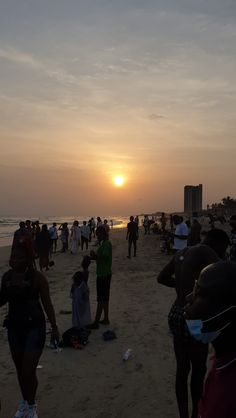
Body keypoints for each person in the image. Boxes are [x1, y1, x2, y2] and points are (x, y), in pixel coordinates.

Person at [157, 228, 230, 418]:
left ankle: (183, 415)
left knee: (182, 369)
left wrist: (182, 287)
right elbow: (225, 276)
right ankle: (196, 413)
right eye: (223, 249)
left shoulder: (182, 252)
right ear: (218, 245)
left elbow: (161, 278)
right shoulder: (206, 251)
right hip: (192, 315)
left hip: (175, 313)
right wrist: (197, 291)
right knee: (198, 369)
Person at [0, 233, 59, 418]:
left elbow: (47, 304)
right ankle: (24, 402)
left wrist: (54, 327)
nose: (14, 259)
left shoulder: (38, 278)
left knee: (28, 371)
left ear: (28, 258)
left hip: (35, 328)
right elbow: (2, 299)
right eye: (13, 255)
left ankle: (32, 405)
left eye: (19, 256)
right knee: (19, 371)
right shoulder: (7, 278)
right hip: (14, 328)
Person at [185, 261, 236, 418]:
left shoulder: (229, 392)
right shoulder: (223, 361)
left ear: (227, 312)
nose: (189, 298)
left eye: (199, 294)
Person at [89, 226, 112, 329]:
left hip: (103, 274)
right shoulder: (105, 244)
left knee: (101, 299)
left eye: (98, 234)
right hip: (105, 273)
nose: (97, 236)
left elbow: (105, 257)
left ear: (103, 234)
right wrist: (94, 257)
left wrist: (95, 256)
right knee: (105, 298)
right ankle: (106, 318)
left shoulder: (106, 244)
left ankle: (96, 322)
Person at [71, 256, 92, 329]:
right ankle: (83, 323)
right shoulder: (85, 272)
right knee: (84, 310)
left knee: (79, 310)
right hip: (83, 291)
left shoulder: (83, 274)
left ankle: (79, 323)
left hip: (81, 292)